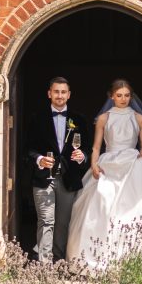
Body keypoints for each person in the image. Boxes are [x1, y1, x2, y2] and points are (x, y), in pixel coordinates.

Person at [66, 79, 142, 271]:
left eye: (126, 95)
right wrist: (94, 164)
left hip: (132, 162)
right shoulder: (104, 118)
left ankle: (140, 257)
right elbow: (97, 146)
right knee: (102, 203)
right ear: (111, 96)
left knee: (139, 206)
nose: (123, 99)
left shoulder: (138, 118)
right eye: (119, 95)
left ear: (131, 96)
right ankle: (94, 256)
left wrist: (141, 156)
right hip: (109, 163)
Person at [27, 77, 90, 263]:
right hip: (42, 178)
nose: (60, 95)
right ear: (49, 94)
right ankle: (44, 264)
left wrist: (83, 156)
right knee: (46, 220)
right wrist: (39, 159)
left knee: (63, 224)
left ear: (69, 95)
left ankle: (59, 261)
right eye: (56, 92)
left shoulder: (79, 120)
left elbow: (88, 148)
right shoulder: (37, 118)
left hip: (68, 178)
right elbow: (27, 149)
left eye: (63, 92)